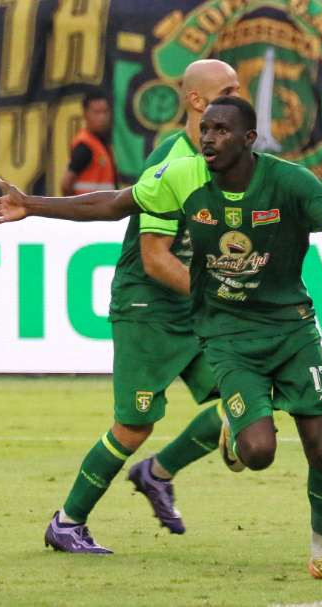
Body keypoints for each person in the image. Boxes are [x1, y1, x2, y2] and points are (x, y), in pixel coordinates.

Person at [0, 97, 322, 580]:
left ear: (249, 139)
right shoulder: (181, 176)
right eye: (205, 129)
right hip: (228, 333)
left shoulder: (290, 181)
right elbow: (113, 203)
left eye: (222, 130)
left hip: (292, 329)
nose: (209, 138)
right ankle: (239, 418)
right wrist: (33, 205)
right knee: (258, 453)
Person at [38, 61, 241, 554]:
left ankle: (158, 471)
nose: (241, 95)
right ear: (197, 102)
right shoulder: (172, 163)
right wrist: (222, 295)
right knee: (133, 425)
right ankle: (67, 521)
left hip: (192, 305)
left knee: (250, 397)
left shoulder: (232, 157)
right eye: (229, 89)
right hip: (148, 304)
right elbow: (154, 260)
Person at [61, 89, 115, 195]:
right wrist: (76, 209)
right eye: (97, 112)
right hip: (89, 210)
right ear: (85, 114)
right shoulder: (85, 146)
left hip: (100, 209)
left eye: (105, 112)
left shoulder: (101, 143)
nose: (102, 117)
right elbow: (65, 184)